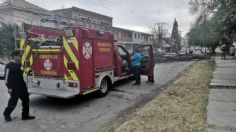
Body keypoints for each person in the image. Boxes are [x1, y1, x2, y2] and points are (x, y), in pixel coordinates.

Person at [2, 50, 35, 122]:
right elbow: (6, 78)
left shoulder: (19, 64)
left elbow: (21, 73)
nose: (21, 57)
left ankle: (25, 115)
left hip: (22, 86)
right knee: (13, 102)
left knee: (26, 100)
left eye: (21, 56)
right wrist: (9, 87)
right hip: (14, 88)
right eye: (19, 56)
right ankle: (6, 114)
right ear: (14, 56)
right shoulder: (9, 66)